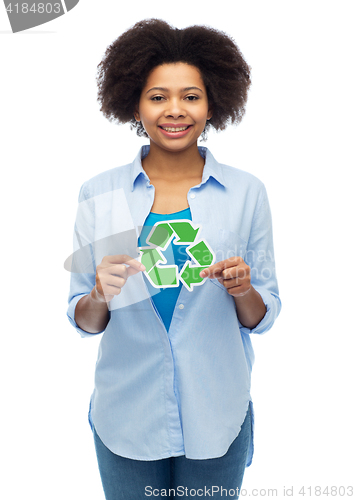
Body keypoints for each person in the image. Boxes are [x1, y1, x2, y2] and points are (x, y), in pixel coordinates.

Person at [66, 18, 281, 500]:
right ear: (134, 106)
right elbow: (82, 318)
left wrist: (244, 290)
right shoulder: (100, 194)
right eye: (157, 96)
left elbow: (264, 315)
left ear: (212, 104)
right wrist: (99, 292)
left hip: (218, 411)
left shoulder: (246, 192)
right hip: (126, 413)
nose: (175, 111)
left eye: (191, 96)